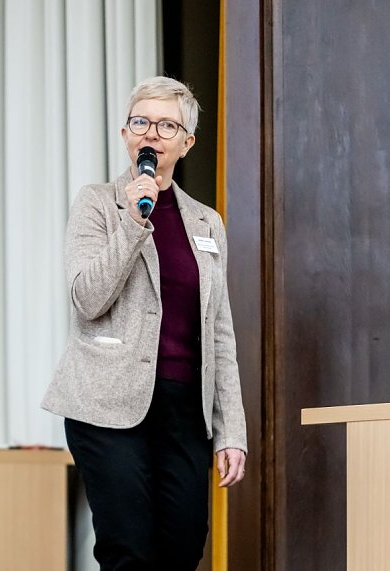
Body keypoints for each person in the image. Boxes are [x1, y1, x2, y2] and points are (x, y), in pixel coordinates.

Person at [41, 76, 247, 570]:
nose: (151, 134)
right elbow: (86, 298)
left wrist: (231, 430)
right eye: (141, 122)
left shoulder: (207, 223)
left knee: (182, 547)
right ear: (125, 133)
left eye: (166, 125)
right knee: (127, 552)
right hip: (106, 404)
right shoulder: (97, 203)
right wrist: (134, 221)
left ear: (186, 142)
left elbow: (219, 331)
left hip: (183, 412)